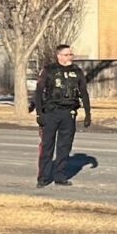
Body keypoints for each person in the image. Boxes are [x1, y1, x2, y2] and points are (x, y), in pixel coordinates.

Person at [30, 44, 91, 188]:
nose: (71, 57)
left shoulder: (76, 72)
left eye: (71, 54)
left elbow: (83, 92)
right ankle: (43, 177)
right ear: (59, 56)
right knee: (47, 146)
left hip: (68, 113)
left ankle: (60, 176)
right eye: (68, 54)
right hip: (51, 112)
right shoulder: (49, 70)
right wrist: (39, 114)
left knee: (65, 146)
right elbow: (38, 92)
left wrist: (88, 113)